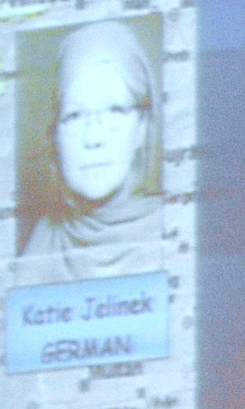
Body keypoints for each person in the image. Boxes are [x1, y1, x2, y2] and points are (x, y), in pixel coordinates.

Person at [21, 19, 162, 275]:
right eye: (74, 116)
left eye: (114, 111)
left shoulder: (179, 232)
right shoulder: (40, 246)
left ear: (141, 127)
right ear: (55, 133)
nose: (93, 138)